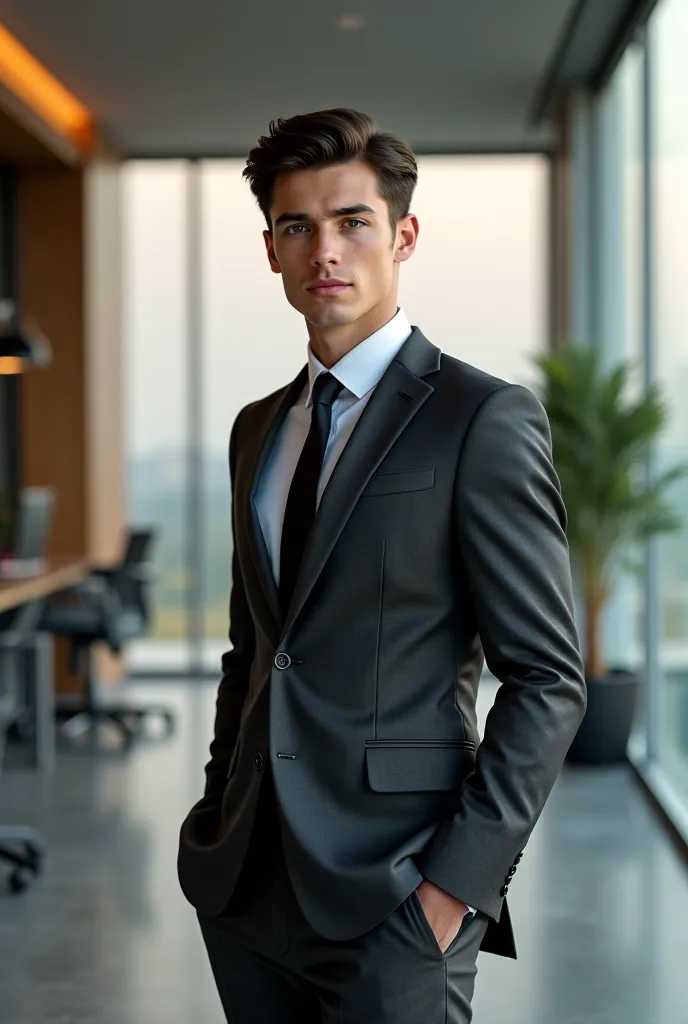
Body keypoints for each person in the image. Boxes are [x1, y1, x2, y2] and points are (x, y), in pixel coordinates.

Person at [178, 107, 586, 1023]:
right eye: (298, 227)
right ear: (272, 249)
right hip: (245, 883)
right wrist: (214, 817)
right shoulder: (257, 429)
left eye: (353, 221)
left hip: (397, 893)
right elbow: (253, 652)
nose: (326, 249)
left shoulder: (482, 419)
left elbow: (549, 680)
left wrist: (453, 891)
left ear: (402, 236)